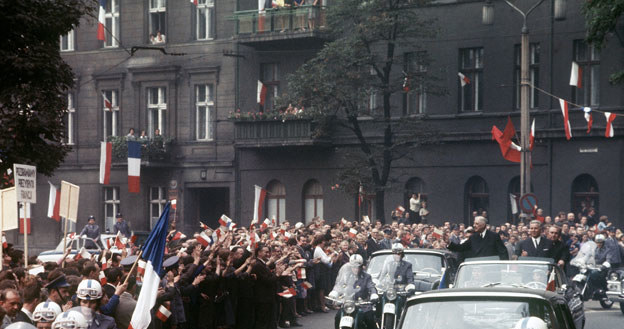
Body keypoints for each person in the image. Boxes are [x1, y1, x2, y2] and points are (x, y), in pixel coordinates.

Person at [328, 254, 377, 329]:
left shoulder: (366, 277)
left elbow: (371, 286)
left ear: (361, 267)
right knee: (338, 317)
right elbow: (340, 285)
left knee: (369, 319)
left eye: (358, 267)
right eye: (353, 267)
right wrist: (335, 292)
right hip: (348, 304)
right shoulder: (346, 276)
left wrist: (373, 294)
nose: (356, 269)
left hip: (362, 305)